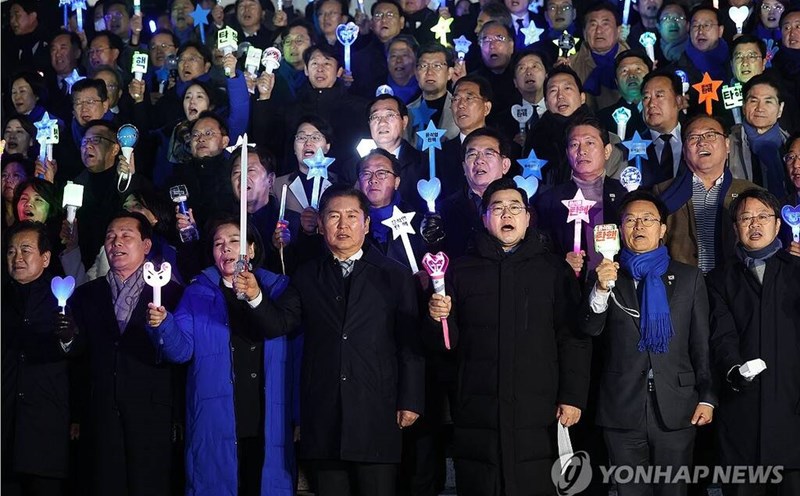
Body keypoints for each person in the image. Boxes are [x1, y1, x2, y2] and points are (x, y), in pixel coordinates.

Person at [252, 185, 425, 496]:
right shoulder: (307, 275)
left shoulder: (394, 275)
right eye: (333, 216)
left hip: (376, 409)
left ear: (366, 223)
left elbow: (409, 342)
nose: (343, 225)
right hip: (324, 412)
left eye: (352, 216)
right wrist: (254, 297)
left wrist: (410, 400)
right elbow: (279, 323)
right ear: (320, 224)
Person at [427, 177, 591, 495]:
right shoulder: (459, 271)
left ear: (528, 218)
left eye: (515, 208)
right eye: (497, 207)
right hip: (477, 409)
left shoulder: (553, 270)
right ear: (484, 217)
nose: (507, 214)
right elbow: (446, 344)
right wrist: (436, 318)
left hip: (538, 409)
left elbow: (573, 338)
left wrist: (572, 396)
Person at [146, 217, 299, 496]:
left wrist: (255, 296)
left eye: (234, 241)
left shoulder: (279, 290)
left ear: (251, 249)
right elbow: (181, 351)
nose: (225, 248)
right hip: (216, 419)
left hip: (266, 418)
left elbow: (286, 336)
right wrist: (164, 324)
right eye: (218, 244)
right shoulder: (197, 293)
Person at [581, 189, 716, 496]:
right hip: (622, 407)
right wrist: (600, 290)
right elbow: (589, 330)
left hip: (678, 406)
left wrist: (707, 396)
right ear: (620, 230)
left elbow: (701, 344)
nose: (639, 226)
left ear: (662, 229)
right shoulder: (604, 277)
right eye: (630, 220)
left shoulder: (689, 278)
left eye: (647, 219)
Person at [69, 212, 183, 496]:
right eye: (110, 237)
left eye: (126, 236)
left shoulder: (172, 294)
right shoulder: (86, 294)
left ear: (146, 245)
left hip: (152, 413)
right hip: (102, 412)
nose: (116, 242)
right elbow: (79, 357)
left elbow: (180, 357)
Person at [707, 188, 800, 496]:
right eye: (745, 218)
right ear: (736, 228)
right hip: (743, 414)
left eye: (763, 216)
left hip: (792, 410)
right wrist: (735, 371)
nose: (754, 224)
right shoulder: (719, 280)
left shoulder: (795, 271)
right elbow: (722, 336)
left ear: (778, 224)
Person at [2, 222, 76, 496]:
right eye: (11, 251)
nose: (17, 258)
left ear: (45, 258)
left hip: (45, 428)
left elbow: (78, 355)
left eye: (25, 250)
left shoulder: (64, 298)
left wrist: (68, 337)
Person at [654, 114, 758, 274]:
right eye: (693, 137)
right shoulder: (664, 192)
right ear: (684, 150)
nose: (702, 142)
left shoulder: (750, 193)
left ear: (727, 145)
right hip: (682, 284)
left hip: (735, 283)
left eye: (710, 135)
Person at [535, 116, 628, 277]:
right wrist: (560, 263)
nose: (581, 151)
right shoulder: (549, 201)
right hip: (568, 285)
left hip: (618, 282)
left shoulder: (624, 196)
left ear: (607, 151)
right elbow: (539, 251)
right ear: (567, 153)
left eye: (590, 143)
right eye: (574, 144)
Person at [727, 74, 790, 198]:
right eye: (754, 101)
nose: (760, 108)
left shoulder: (791, 145)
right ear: (744, 106)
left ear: (780, 108)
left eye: (768, 101)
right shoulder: (727, 145)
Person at [639, 70, 686, 186]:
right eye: (646, 97)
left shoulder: (695, 141)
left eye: (659, 96)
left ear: (679, 101)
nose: (651, 104)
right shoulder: (628, 148)